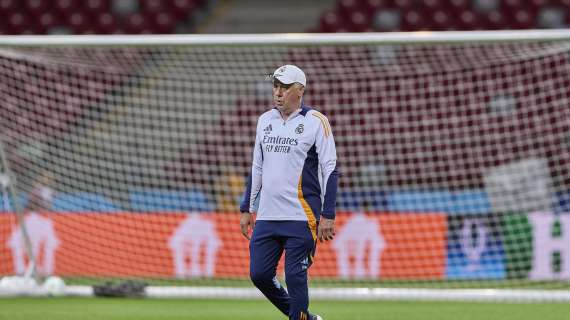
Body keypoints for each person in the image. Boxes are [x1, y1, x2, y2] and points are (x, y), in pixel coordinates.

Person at [240, 65, 339, 320]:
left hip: (302, 215)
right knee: (259, 274)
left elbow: (331, 169)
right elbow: (257, 166)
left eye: (284, 87)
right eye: (275, 86)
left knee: (295, 276)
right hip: (268, 215)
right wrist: (247, 208)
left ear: (300, 90)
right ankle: (305, 317)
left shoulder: (316, 121)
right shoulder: (265, 120)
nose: (278, 92)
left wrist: (328, 215)